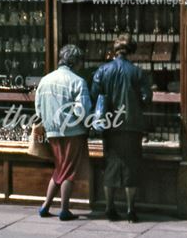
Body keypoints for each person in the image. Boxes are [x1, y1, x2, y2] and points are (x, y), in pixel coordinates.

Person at [92, 34, 152, 223]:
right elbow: (146, 97)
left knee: (110, 167)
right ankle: (130, 210)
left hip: (110, 125)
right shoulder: (137, 72)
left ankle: (109, 208)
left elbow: (95, 96)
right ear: (131, 50)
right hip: (132, 126)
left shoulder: (102, 71)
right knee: (131, 168)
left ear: (114, 50)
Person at [35, 44, 91, 221]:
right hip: (72, 131)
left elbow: (38, 109)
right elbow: (82, 110)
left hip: (52, 131)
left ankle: (46, 205)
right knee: (68, 171)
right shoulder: (77, 81)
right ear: (76, 62)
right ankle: (64, 209)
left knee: (60, 168)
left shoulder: (45, 80)